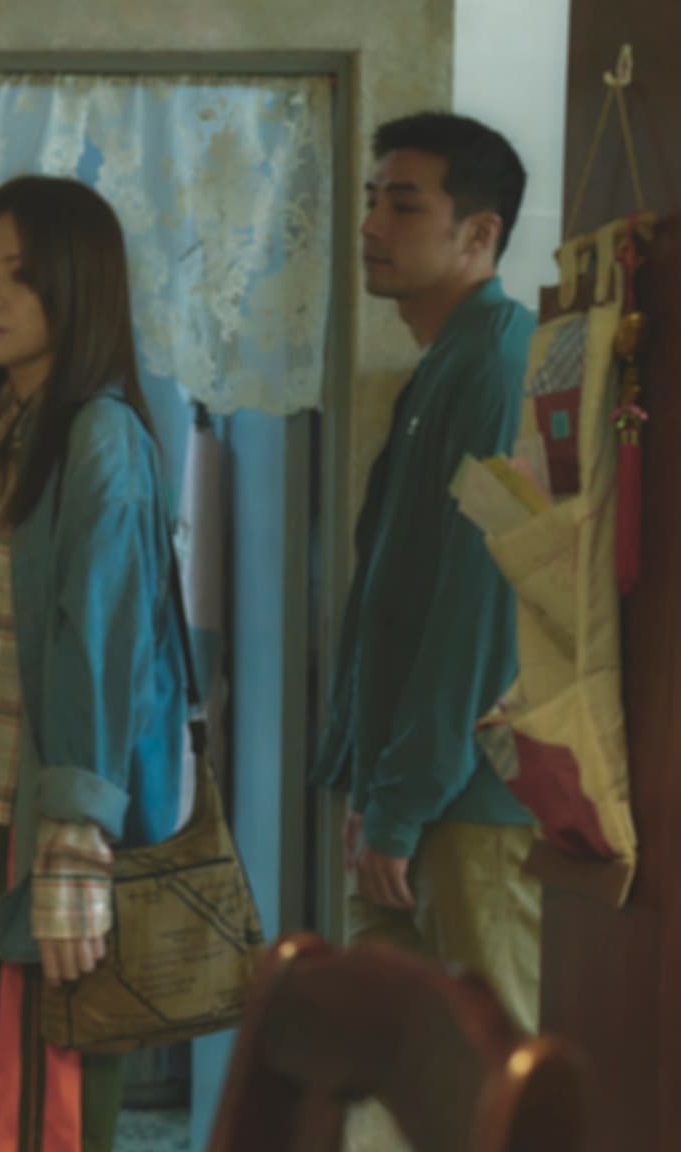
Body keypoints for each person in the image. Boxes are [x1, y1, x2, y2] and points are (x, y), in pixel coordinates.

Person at [0, 176, 191, 1152]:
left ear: (76, 285)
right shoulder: (10, 428)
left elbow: (104, 653)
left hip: (47, 820)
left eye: (20, 275)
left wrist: (76, 842)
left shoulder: (99, 437)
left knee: (42, 1100)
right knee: (0, 1087)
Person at [314, 112, 540, 1039]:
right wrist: (372, 787)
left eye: (404, 206)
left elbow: (476, 612)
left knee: (486, 1079)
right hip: (415, 796)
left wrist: (400, 803)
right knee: (386, 1077)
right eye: (372, 200)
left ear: (479, 233)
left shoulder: (496, 363)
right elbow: (392, 599)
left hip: (468, 807)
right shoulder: (447, 362)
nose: (371, 225)